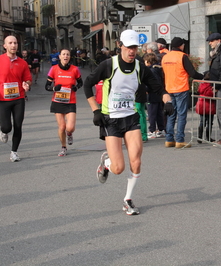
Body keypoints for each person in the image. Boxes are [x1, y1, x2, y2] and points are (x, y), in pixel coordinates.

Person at [83, 29, 173, 215]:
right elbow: (87, 84)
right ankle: (106, 163)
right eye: (128, 47)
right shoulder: (109, 65)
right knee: (118, 168)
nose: (132, 51)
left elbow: (157, 87)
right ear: (120, 46)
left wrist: (167, 100)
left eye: (135, 47)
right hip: (111, 120)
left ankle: (128, 200)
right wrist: (95, 109)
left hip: (131, 118)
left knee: (136, 161)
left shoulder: (140, 68)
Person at [0, 35, 32, 162]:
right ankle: (4, 131)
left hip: (18, 98)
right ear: (5, 46)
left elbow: (28, 78)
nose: (13, 45)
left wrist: (26, 84)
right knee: (7, 127)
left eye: (15, 43)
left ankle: (14, 152)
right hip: (2, 98)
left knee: (18, 125)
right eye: (10, 43)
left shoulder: (22, 63)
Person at [162, 37, 204, 148]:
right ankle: (180, 140)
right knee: (181, 115)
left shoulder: (165, 57)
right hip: (181, 88)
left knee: (171, 114)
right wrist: (203, 76)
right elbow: (192, 73)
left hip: (169, 88)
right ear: (181, 45)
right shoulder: (182, 56)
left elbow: (163, 74)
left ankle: (169, 139)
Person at [45, 48, 82, 156]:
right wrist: (53, 88)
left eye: (67, 55)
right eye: (63, 54)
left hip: (70, 101)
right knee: (62, 127)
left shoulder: (75, 69)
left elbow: (80, 83)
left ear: (70, 57)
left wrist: (76, 88)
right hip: (58, 101)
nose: (65, 56)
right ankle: (63, 147)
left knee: (69, 127)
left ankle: (69, 133)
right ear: (59, 56)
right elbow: (47, 86)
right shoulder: (54, 69)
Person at [143, 52, 165, 139]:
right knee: (159, 113)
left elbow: (151, 83)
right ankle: (161, 129)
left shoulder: (151, 71)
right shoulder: (158, 69)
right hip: (159, 95)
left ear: (148, 61)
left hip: (152, 95)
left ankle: (152, 130)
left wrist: (146, 89)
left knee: (152, 113)